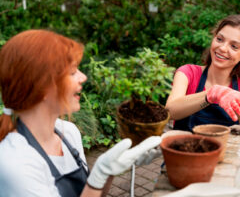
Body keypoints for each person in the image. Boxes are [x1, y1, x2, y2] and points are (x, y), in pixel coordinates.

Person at [0, 30, 161, 197]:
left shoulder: (68, 133)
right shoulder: (15, 163)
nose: (83, 77)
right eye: (72, 72)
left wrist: (107, 172)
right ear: (42, 87)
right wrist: (98, 175)